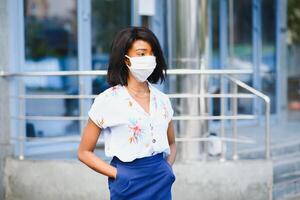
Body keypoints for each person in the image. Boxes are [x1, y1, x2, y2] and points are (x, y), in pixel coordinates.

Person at [77, 26, 177, 200]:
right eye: (141, 53)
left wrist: (167, 169)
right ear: (126, 60)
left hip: (160, 179)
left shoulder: (162, 100)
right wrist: (119, 175)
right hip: (128, 181)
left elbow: (172, 143)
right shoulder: (107, 100)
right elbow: (84, 152)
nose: (149, 58)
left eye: (152, 53)